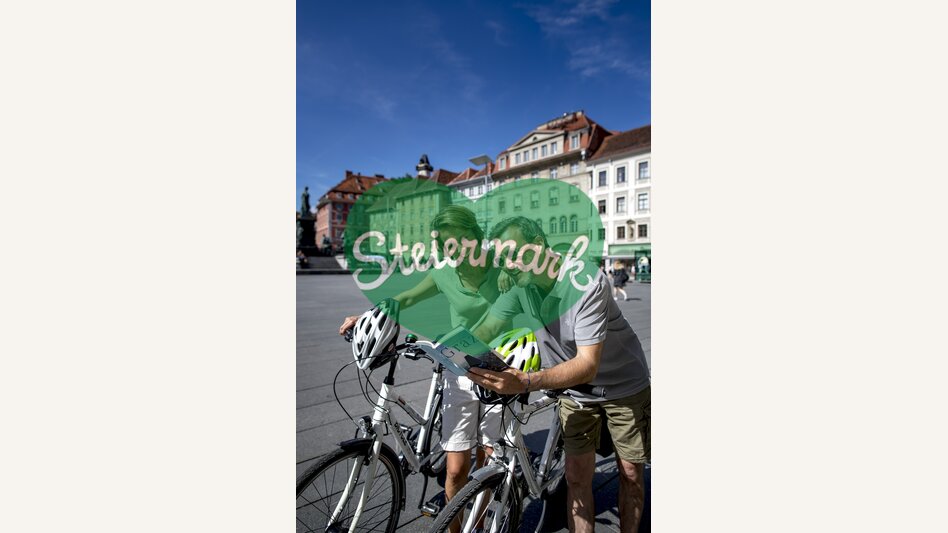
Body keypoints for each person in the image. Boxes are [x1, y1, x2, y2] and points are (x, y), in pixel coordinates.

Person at [467, 216, 651, 533]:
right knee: (577, 477)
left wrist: (525, 381)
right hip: (575, 391)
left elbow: (587, 364)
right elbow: (486, 328)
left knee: (631, 472)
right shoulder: (519, 283)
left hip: (623, 385)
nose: (507, 266)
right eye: (502, 260)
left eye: (512, 254)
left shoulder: (585, 283)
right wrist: (446, 347)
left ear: (538, 245)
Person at [338, 205, 507, 533]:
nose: (453, 252)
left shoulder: (499, 268)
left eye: (459, 242)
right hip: (459, 371)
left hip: (500, 374)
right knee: (456, 470)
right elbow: (405, 298)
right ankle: (456, 529)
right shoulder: (444, 272)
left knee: (488, 461)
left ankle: (481, 520)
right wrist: (365, 316)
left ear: (475, 236)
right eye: (446, 246)